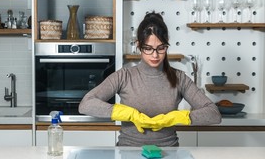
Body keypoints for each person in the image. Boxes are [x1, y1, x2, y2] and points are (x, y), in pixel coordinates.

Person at [79, 12, 221, 146]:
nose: (155, 55)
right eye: (148, 48)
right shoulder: (124, 76)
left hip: (169, 154)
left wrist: (177, 117)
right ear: (139, 45)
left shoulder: (179, 78)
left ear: (167, 45)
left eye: (161, 48)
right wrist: (128, 114)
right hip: (128, 154)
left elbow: (213, 114)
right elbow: (86, 104)